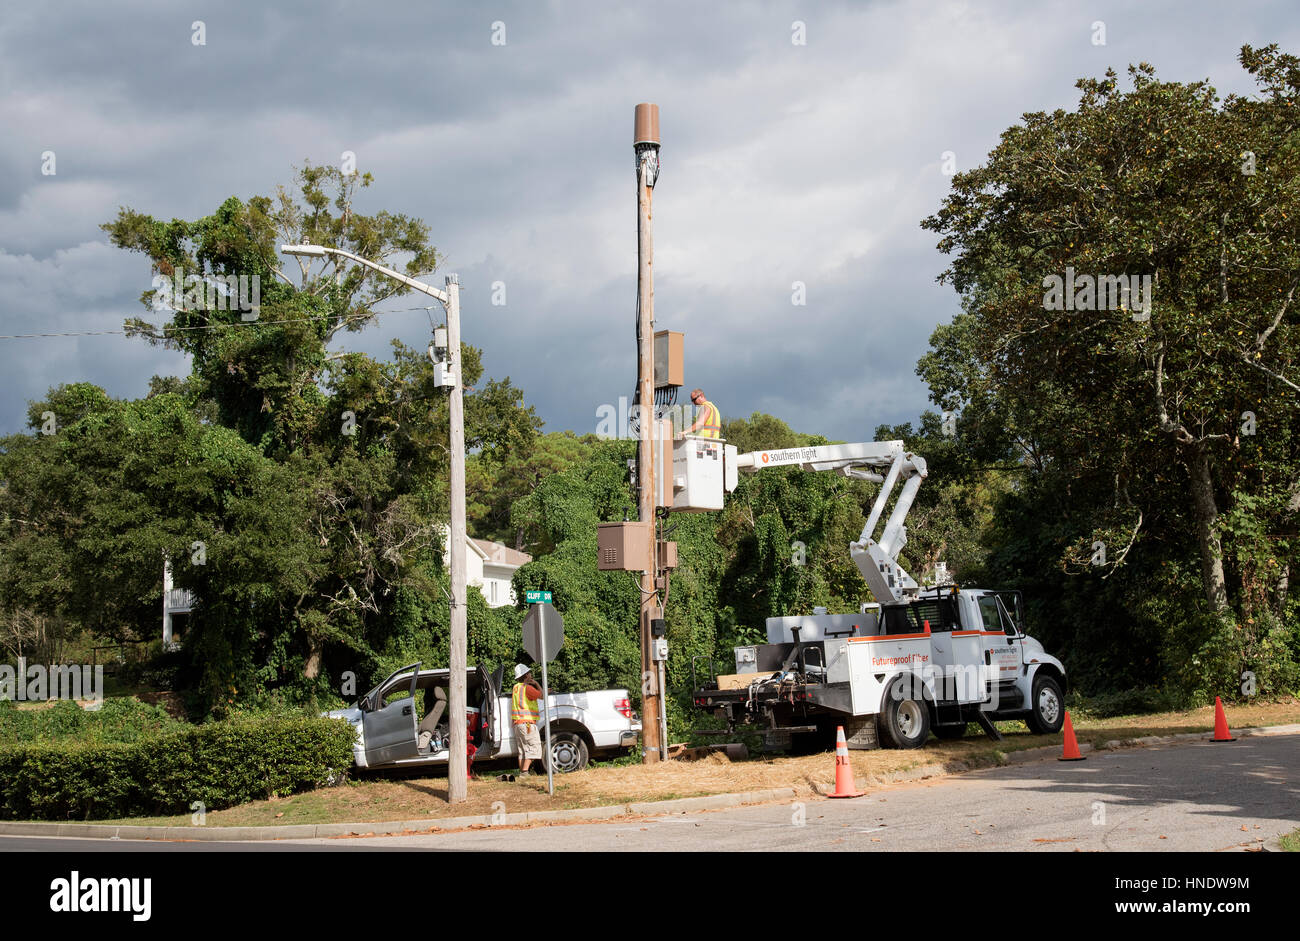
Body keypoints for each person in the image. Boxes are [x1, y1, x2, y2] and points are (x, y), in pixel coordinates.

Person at [510, 663, 544, 775]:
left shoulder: (516, 688)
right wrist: (537, 684)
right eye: (529, 673)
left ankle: (522, 772)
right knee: (533, 747)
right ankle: (525, 772)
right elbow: (542, 696)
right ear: (526, 676)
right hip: (527, 723)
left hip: (518, 724)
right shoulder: (527, 688)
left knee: (522, 750)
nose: (531, 674)